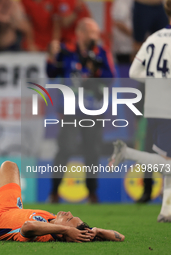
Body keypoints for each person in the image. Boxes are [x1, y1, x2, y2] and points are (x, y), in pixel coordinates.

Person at [109, 0, 171, 222]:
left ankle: (165, 208)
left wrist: (155, 80)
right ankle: (129, 155)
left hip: (153, 103)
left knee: (163, 155)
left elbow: (135, 71)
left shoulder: (151, 40)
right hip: (167, 105)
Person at [46, 18, 115, 203]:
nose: (96, 37)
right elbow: (52, 71)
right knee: (65, 149)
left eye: (97, 33)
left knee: (92, 152)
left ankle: (92, 193)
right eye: (92, 33)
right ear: (81, 33)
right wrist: (51, 55)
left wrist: (96, 71)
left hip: (93, 110)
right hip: (70, 109)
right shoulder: (67, 51)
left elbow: (110, 78)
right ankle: (54, 192)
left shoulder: (102, 53)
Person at [111, 0, 134, 64]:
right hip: (124, 49)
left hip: (138, 47)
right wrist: (137, 35)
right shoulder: (122, 2)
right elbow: (118, 22)